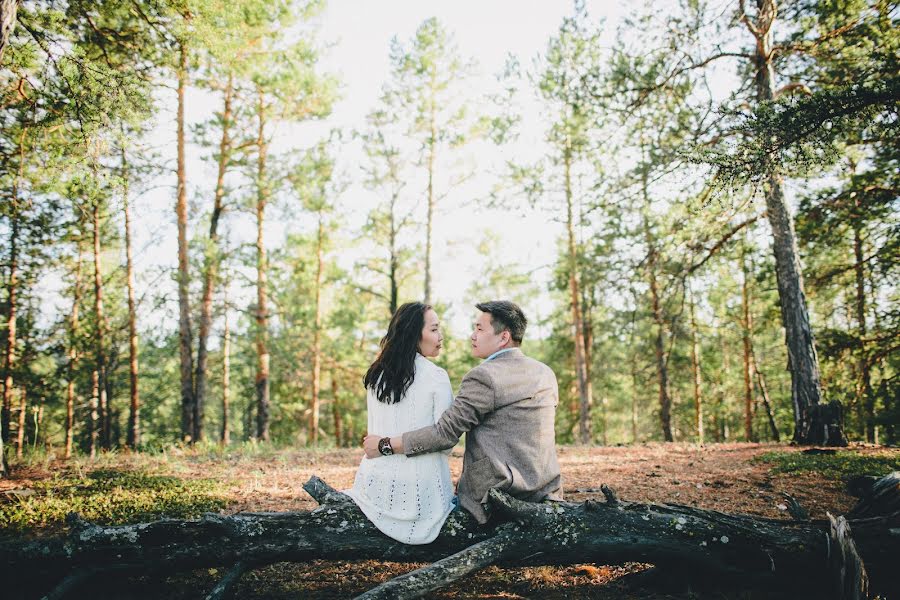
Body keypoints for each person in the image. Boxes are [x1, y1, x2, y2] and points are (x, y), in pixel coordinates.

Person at [364, 300, 562, 524]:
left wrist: (385, 445)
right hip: (546, 493)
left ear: (503, 337)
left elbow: (444, 434)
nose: (472, 336)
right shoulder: (544, 373)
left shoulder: (485, 376)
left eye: (479, 329)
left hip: (498, 497)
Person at [345, 302, 455, 544]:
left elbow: (373, 443)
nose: (440, 336)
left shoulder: (377, 375)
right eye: (435, 329)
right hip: (424, 498)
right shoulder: (437, 377)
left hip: (373, 491)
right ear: (416, 335)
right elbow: (446, 443)